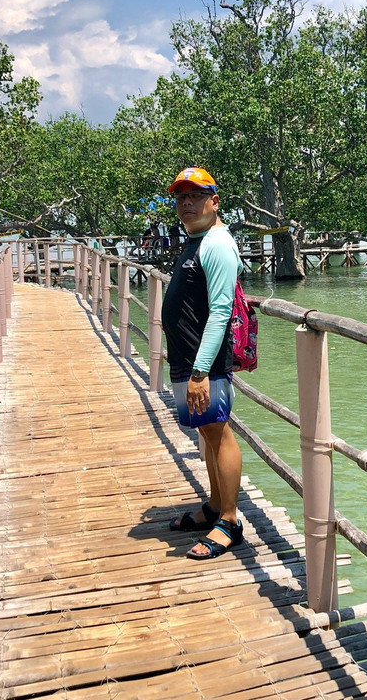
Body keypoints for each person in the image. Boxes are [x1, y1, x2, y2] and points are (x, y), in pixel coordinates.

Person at [161, 166, 245, 560]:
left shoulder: (217, 244)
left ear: (215, 200)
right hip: (188, 360)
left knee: (219, 434)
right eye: (180, 197)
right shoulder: (195, 240)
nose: (187, 203)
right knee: (207, 436)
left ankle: (229, 521)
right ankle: (213, 506)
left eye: (195, 195)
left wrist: (200, 372)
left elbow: (221, 311)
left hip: (203, 365)